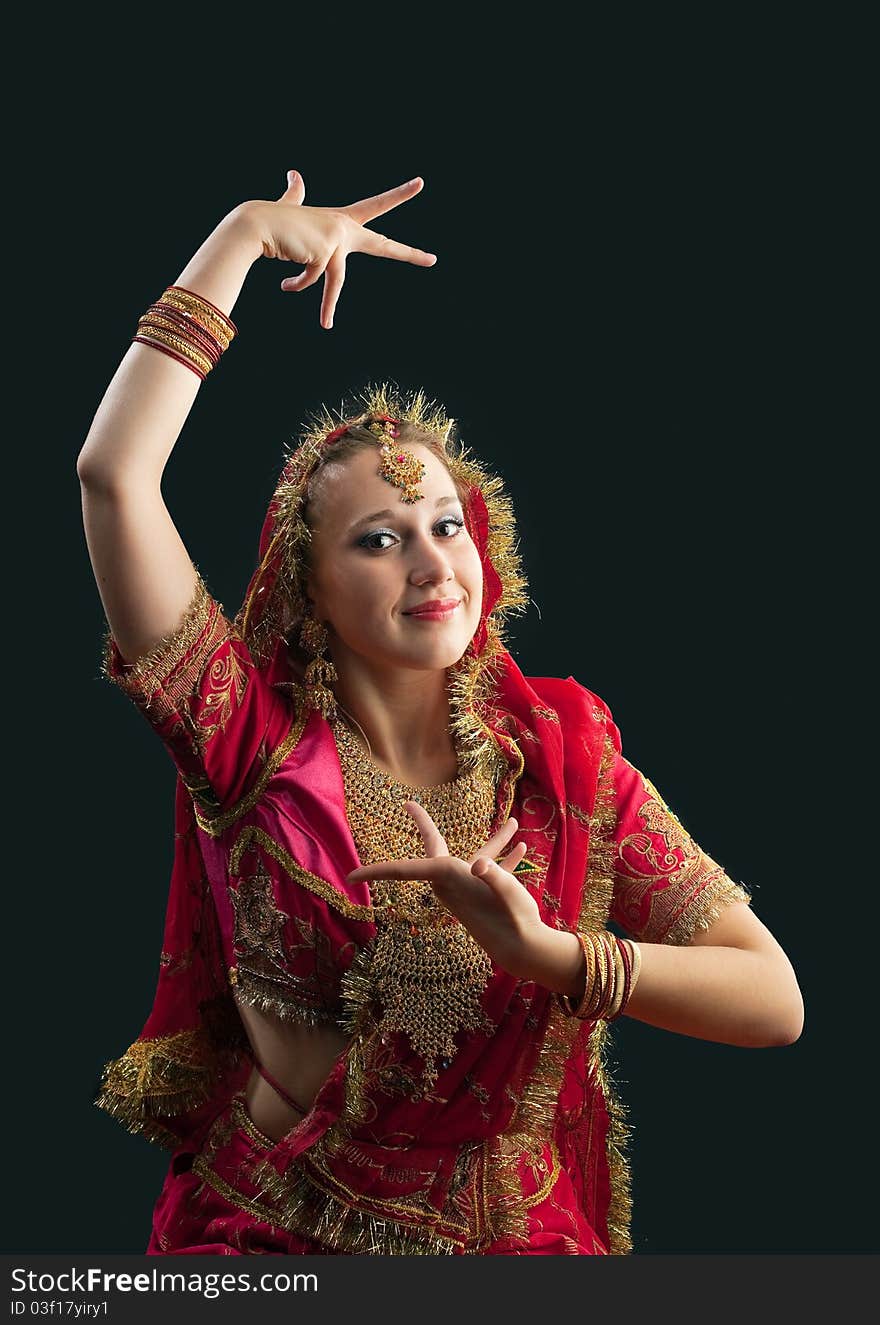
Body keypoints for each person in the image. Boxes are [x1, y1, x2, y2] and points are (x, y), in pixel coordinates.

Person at [77, 168, 804, 1256]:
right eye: (378, 538)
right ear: (303, 587)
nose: (430, 563)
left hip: (515, 1249)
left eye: (446, 525)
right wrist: (237, 239)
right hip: (274, 1244)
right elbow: (112, 476)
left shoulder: (562, 765)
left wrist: (552, 954)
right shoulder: (249, 742)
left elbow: (773, 998)